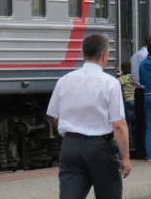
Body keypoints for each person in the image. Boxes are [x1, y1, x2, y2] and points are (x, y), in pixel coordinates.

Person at [47, 34, 131, 199]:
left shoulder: (64, 81)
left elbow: (56, 118)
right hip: (100, 147)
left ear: (83, 53)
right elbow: (118, 124)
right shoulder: (110, 83)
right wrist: (125, 158)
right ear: (105, 55)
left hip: (70, 147)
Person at [130, 35, 151, 159]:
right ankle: (147, 150)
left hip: (137, 90)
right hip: (147, 89)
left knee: (139, 121)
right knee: (148, 121)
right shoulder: (148, 57)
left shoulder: (135, 55)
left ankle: (139, 148)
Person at [118, 61, 135, 151]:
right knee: (134, 123)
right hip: (134, 100)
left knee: (127, 124)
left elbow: (116, 82)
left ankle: (130, 144)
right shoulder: (133, 77)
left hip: (128, 101)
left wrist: (119, 75)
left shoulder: (124, 78)